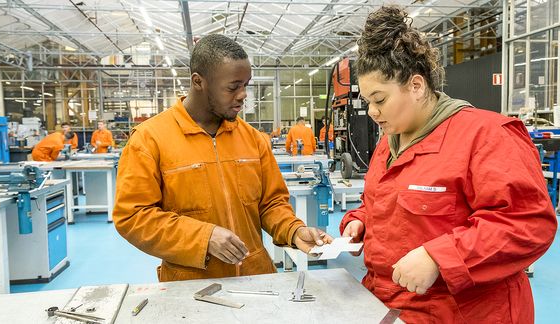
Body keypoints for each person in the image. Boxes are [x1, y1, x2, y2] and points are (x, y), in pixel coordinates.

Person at [339, 6, 557, 323]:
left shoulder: (484, 137)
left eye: (380, 99)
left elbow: (528, 224)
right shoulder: (390, 142)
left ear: (416, 86)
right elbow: (384, 204)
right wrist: (360, 222)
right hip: (392, 305)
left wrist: (439, 257)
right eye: (368, 102)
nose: (372, 112)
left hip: (463, 313)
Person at [113, 34, 331, 282]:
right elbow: (133, 216)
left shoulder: (253, 139)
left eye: (246, 85)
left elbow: (271, 204)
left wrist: (294, 230)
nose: (243, 95)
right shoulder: (150, 139)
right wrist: (203, 238)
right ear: (198, 82)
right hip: (190, 285)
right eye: (232, 87)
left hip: (256, 277)